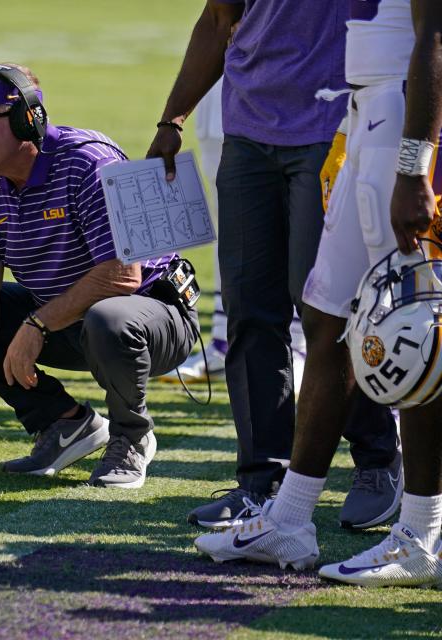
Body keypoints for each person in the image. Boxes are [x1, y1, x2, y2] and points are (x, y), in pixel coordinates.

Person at [194, 0, 442, 587]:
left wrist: (415, 167)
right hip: (366, 111)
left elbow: (434, 35)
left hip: (403, 119)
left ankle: (422, 531)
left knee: (412, 326)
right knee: (326, 316)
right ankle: (291, 516)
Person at [147, 0, 401, 529]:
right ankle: (263, 480)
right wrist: (173, 117)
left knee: (326, 311)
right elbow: (219, 19)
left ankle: (379, 460)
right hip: (248, 131)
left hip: (334, 130)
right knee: (249, 311)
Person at [0, 63, 198, 488]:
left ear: (26, 119)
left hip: (153, 316)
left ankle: (132, 437)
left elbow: (123, 276)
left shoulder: (88, 162)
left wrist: (36, 325)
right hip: (69, 320)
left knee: (111, 318)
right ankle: (65, 424)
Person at [158, 78, 308, 390]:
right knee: (228, 224)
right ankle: (224, 340)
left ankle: (297, 344)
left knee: (295, 223)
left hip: (291, 91)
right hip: (226, 87)